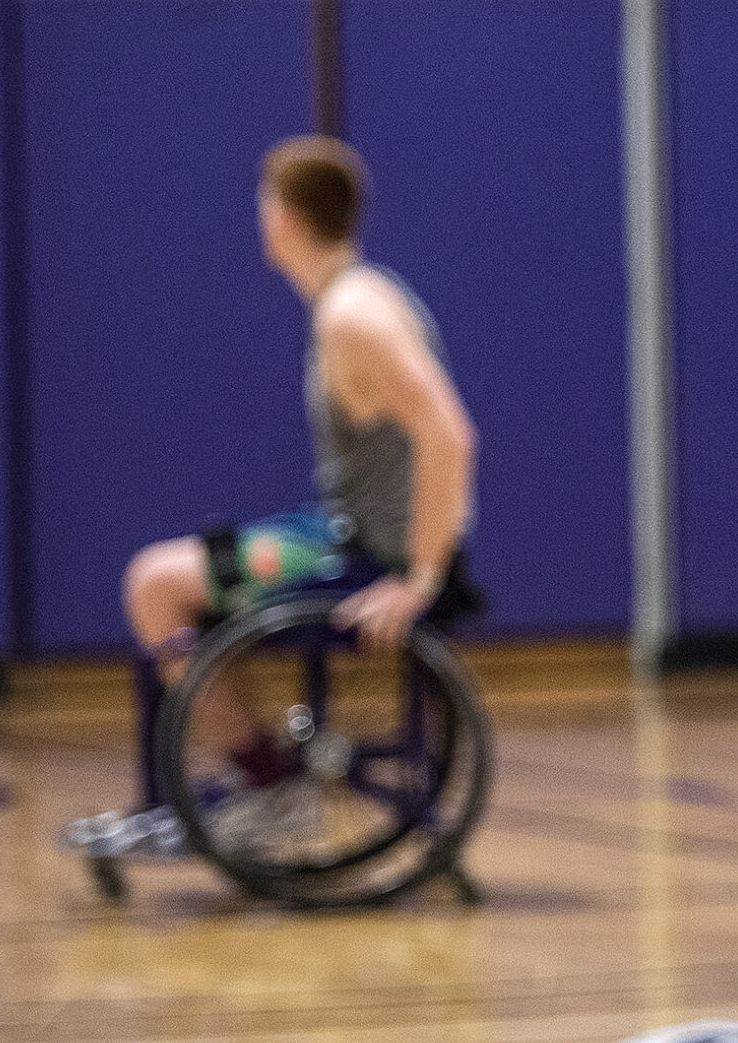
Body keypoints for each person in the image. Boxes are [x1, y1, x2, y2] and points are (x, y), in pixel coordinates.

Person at [66, 135, 477, 859]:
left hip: (362, 551)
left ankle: (267, 785)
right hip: (341, 532)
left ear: (282, 217)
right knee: (174, 571)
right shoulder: (357, 296)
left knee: (155, 587)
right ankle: (257, 775)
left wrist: (420, 575)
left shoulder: (354, 315)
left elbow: (450, 433)